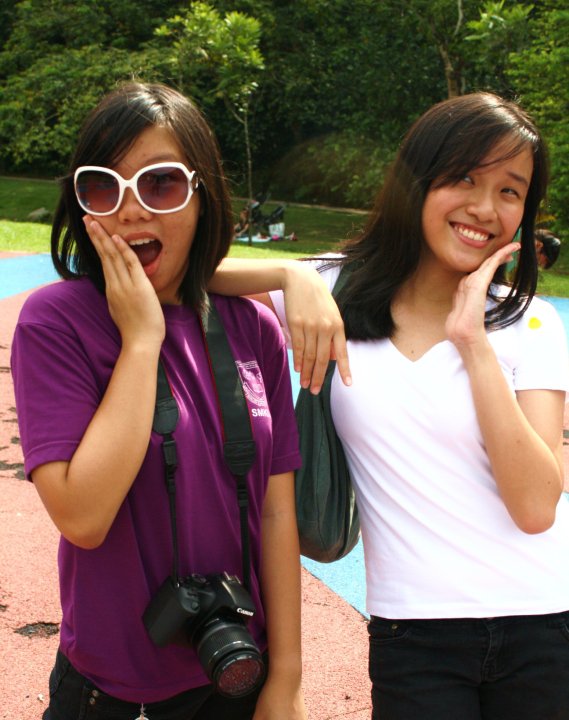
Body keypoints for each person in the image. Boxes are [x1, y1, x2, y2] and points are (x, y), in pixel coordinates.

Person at [209, 92, 569, 719]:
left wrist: (473, 344)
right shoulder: (335, 291)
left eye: (510, 191)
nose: (485, 208)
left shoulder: (530, 323)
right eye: (465, 178)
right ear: (419, 179)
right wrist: (291, 275)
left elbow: (537, 507)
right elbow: (189, 273)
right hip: (413, 635)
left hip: (543, 625)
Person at [11, 82, 307, 720]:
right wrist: (142, 341)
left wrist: (286, 678)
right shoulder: (56, 323)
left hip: (236, 671)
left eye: (161, 183)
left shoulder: (253, 328)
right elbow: (83, 516)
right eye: (103, 187)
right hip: (111, 691)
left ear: (202, 197)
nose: (130, 210)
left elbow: (277, 513)